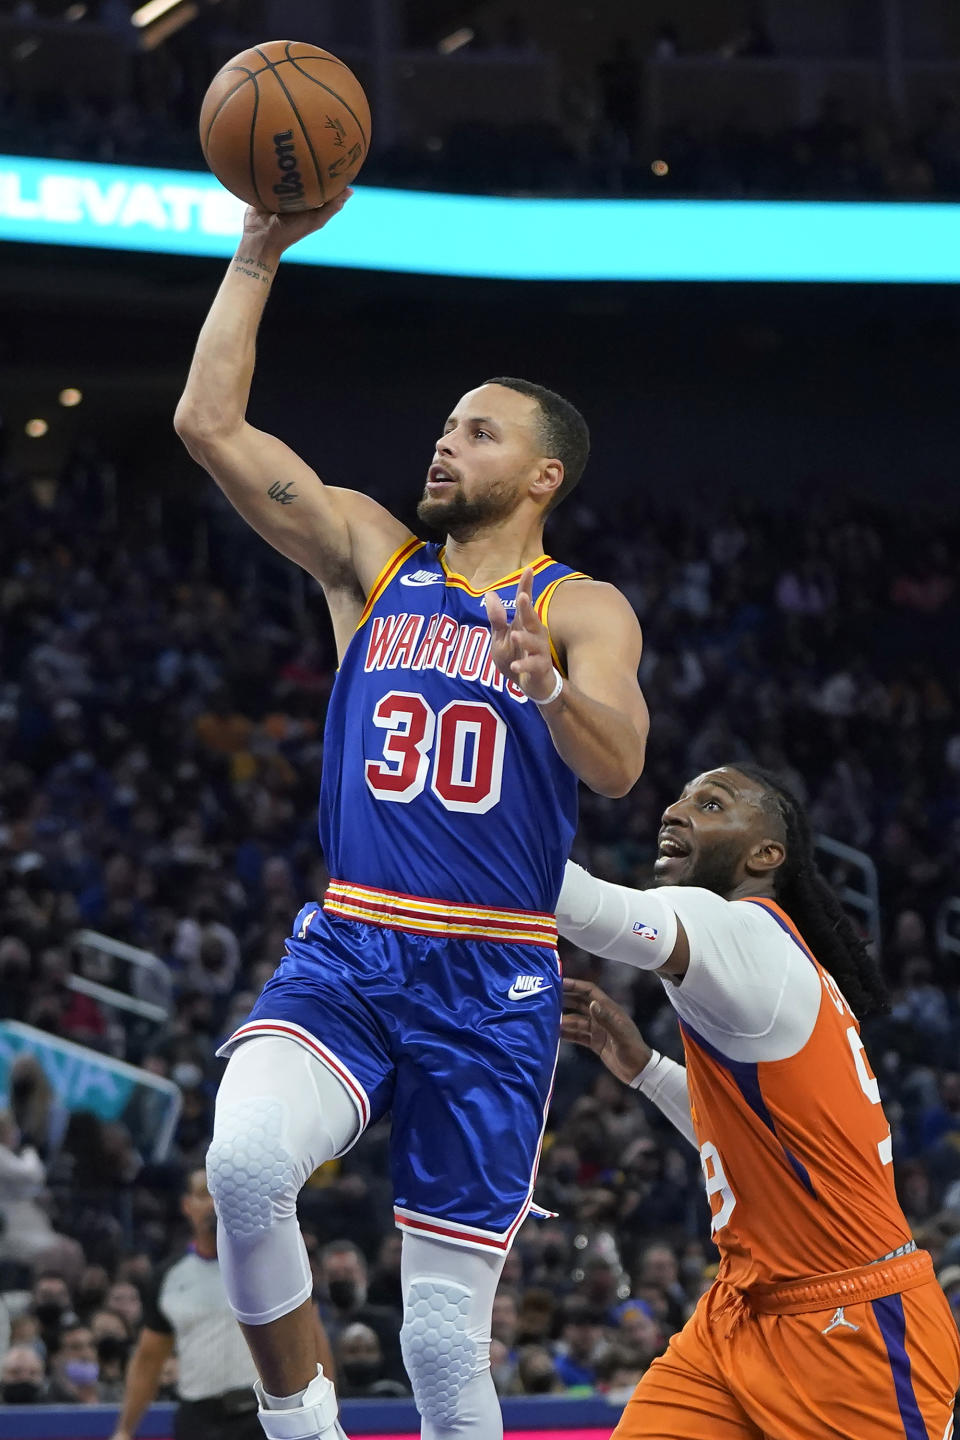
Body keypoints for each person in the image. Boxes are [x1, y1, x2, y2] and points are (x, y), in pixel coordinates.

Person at [174, 194, 648, 1440]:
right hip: (355, 943)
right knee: (242, 1167)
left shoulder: (584, 606)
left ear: (542, 476)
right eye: (444, 426)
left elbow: (618, 767)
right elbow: (207, 422)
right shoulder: (374, 562)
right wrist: (258, 252)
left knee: (443, 1341)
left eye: (478, 435)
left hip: (494, 975)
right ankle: (302, 1427)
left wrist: (547, 689)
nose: (445, 446)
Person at [556, 763, 960, 1438]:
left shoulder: (741, 931)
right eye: (679, 798)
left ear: (765, 854)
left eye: (710, 804)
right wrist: (648, 1071)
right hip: (742, 1312)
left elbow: (591, 910)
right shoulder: (765, 959)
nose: (675, 812)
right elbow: (757, 1144)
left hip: (854, 1325)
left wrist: (479, 814)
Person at [109, 1169, 297, 1440]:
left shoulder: (270, 1263)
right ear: (186, 1206)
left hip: (264, 1412)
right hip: (197, 1419)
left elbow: (310, 1337)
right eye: (202, 1194)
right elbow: (149, 1360)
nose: (213, 1201)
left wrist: (329, 1415)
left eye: (222, 1192)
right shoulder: (168, 1277)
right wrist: (125, 1430)